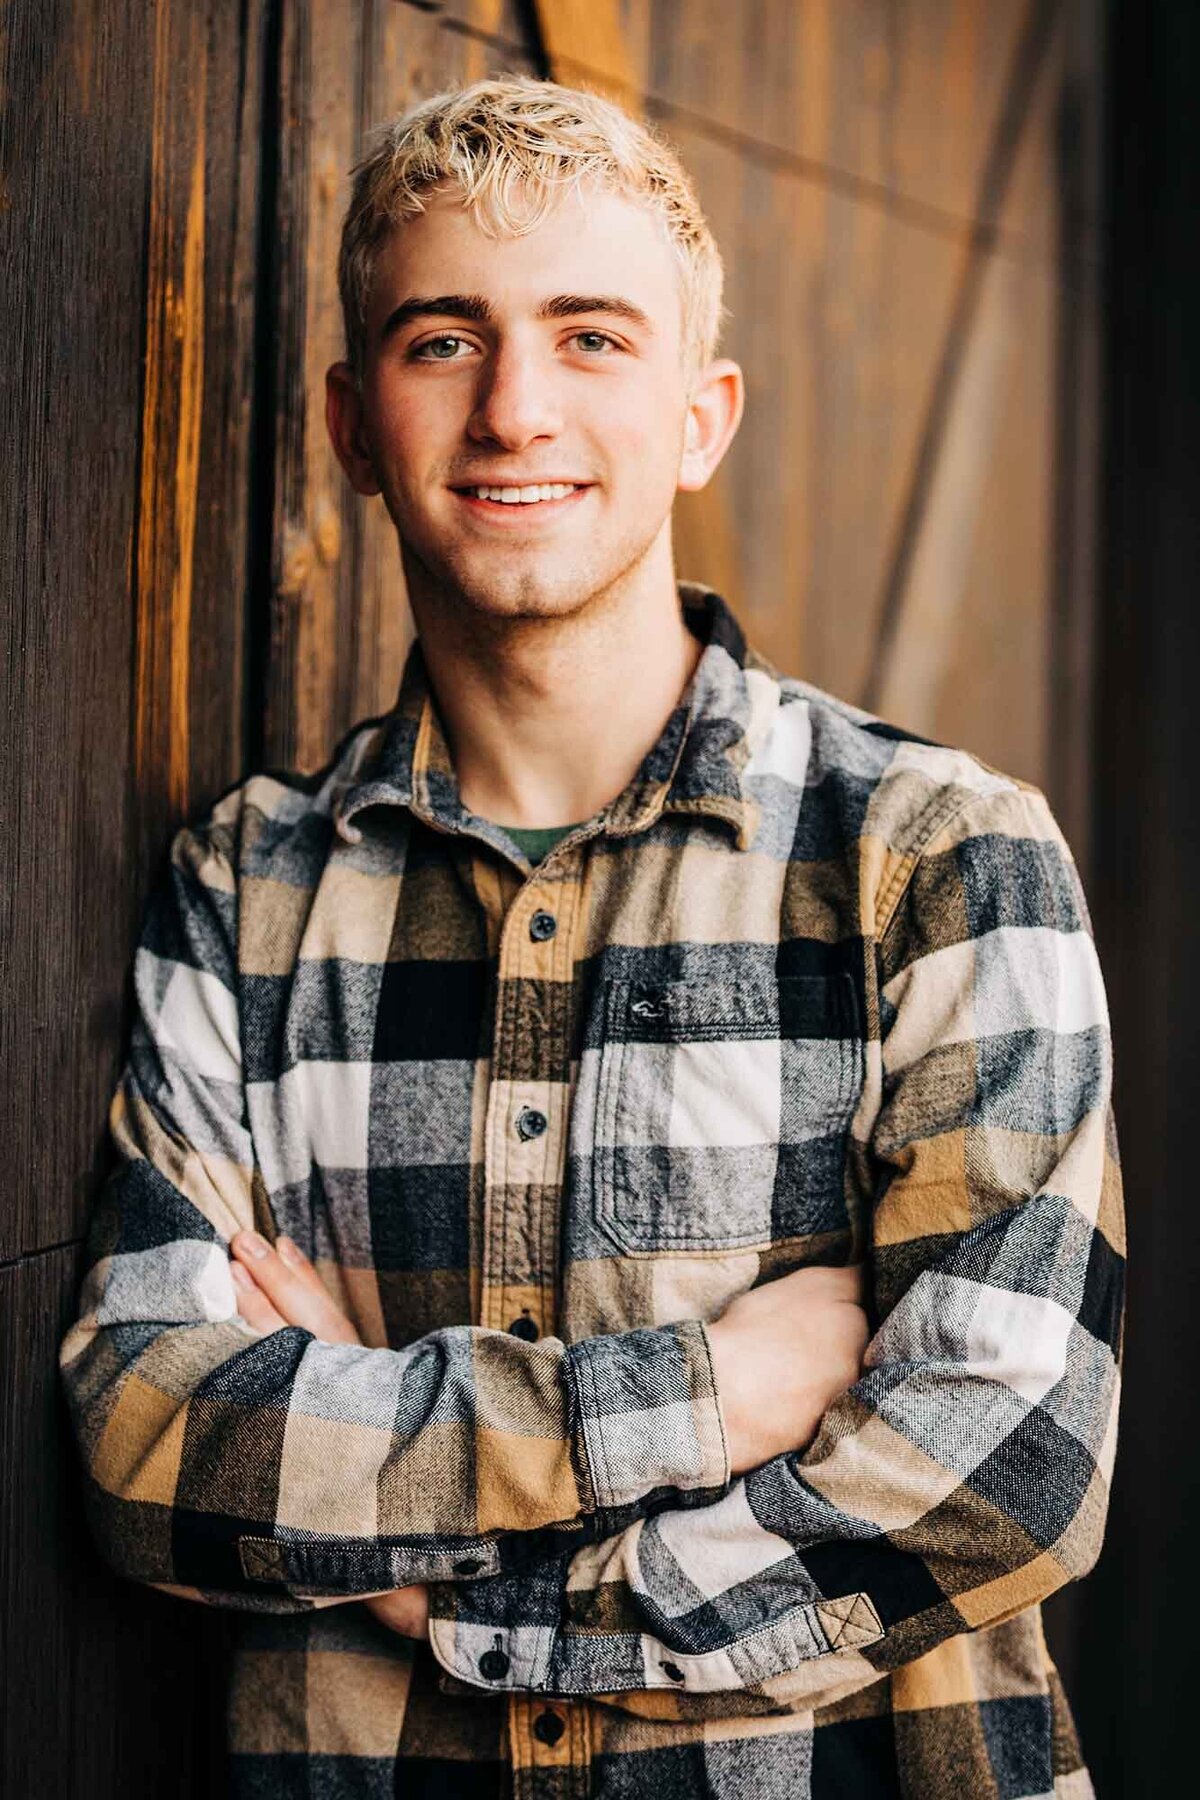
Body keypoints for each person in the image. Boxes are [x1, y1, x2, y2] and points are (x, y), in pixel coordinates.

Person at [60, 74, 1124, 1800]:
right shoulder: (246, 892)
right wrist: (711, 1394)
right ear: (350, 420)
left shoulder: (941, 858)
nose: (515, 409)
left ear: (703, 418)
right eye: (442, 341)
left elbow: (1000, 1467)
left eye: (592, 337)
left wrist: (437, 1570)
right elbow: (156, 1443)